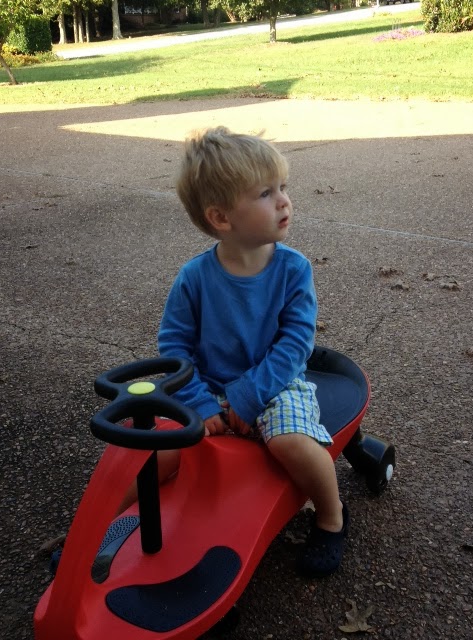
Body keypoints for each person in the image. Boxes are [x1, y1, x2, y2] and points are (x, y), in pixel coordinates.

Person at [157, 126, 348, 578]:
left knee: (289, 441)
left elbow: (295, 345)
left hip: (276, 384)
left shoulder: (293, 270)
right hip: (207, 386)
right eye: (266, 193)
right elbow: (174, 347)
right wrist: (201, 403)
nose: (284, 201)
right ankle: (103, 534)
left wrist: (248, 396)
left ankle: (331, 516)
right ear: (221, 218)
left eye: (283, 187)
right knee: (157, 450)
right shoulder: (194, 278)